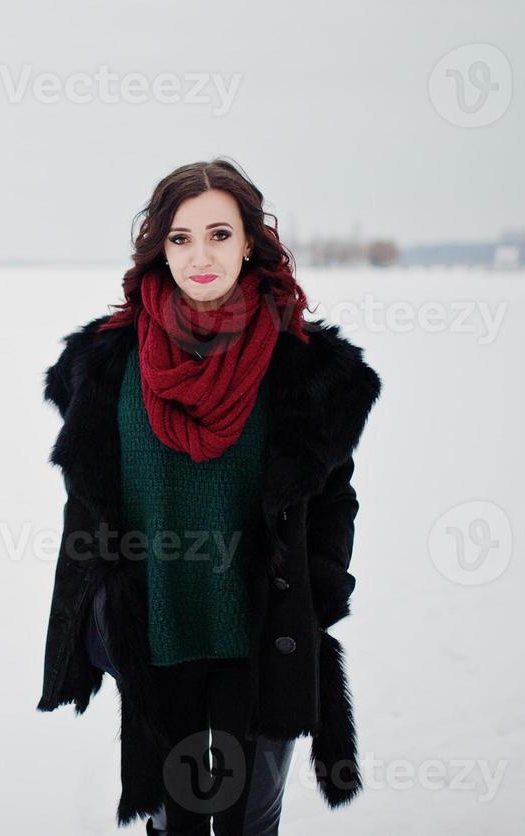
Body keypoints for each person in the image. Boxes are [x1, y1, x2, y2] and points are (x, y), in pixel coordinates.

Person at [36, 158, 382, 834]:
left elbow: (332, 499)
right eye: (180, 237)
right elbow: (88, 506)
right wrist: (97, 610)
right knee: (173, 825)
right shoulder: (105, 365)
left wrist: (320, 591)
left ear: (250, 241)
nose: (201, 256)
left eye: (219, 235)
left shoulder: (304, 368)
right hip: (156, 636)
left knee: (250, 825)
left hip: (262, 638)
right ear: (158, 247)